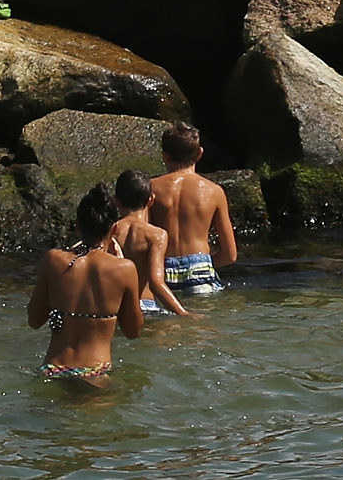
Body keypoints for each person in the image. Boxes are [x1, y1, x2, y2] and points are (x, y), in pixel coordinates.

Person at [26, 184, 143, 391]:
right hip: (94, 373)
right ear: (114, 229)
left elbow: (34, 321)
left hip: (53, 370)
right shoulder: (124, 269)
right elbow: (133, 332)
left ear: (78, 226)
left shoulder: (53, 260)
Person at [145, 124, 236, 297]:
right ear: (200, 153)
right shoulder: (214, 191)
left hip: (161, 269)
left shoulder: (150, 189)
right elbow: (230, 255)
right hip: (200, 266)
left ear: (165, 156)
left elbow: (141, 237)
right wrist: (202, 264)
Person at [106, 169, 199, 317]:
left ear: (115, 201)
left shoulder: (108, 232)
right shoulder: (156, 235)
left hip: (116, 308)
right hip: (145, 305)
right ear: (151, 200)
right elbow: (156, 282)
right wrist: (184, 313)